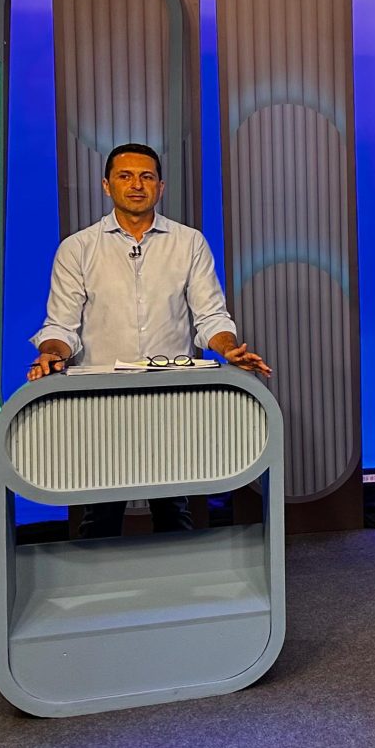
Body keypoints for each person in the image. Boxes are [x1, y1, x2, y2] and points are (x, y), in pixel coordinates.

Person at [28, 142, 273, 537]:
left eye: (146, 177)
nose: (136, 185)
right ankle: (98, 594)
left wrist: (229, 348)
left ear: (160, 186)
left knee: (174, 509)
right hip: (101, 401)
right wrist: (49, 354)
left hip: (169, 398)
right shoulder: (77, 249)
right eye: (125, 176)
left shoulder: (189, 242)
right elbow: (61, 327)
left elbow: (210, 316)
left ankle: (178, 594)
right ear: (107, 186)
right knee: (100, 514)